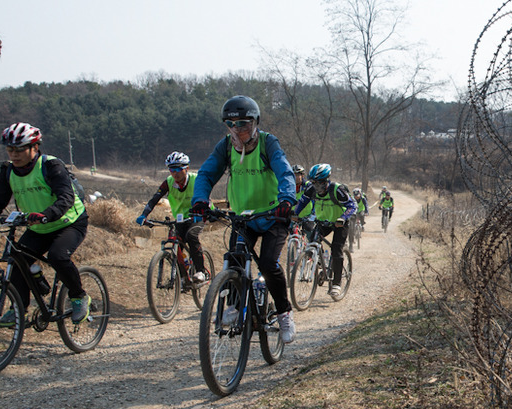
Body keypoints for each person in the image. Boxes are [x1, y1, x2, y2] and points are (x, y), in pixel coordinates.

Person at [190, 95, 298, 343]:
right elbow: (206, 173)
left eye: (244, 124)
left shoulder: (268, 143)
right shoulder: (226, 146)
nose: (238, 130)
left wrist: (286, 200)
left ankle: (284, 314)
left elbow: (284, 170)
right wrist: (200, 200)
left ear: (255, 123)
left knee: (269, 265)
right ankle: (235, 306)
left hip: (273, 215)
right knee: (236, 261)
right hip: (242, 218)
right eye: (232, 125)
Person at [0, 122, 91, 324]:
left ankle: (78, 297)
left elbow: (66, 197)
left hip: (69, 222)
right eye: (10, 149)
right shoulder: (8, 171)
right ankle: (19, 308)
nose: (14, 154)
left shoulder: (51, 165)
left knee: (58, 257)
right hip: (38, 226)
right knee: (16, 262)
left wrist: (46, 214)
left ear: (34, 147)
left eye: (20, 149)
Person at [136, 151, 209, 283]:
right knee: (175, 242)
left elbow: (204, 195)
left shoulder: (196, 179)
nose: (175, 173)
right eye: (171, 169)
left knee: (191, 236)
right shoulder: (168, 182)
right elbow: (154, 199)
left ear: (186, 168)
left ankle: (200, 271)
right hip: (180, 218)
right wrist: (144, 215)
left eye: (178, 169)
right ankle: (183, 277)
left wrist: (204, 211)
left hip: (198, 216)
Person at [294, 163, 357, 298]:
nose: (317, 187)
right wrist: (294, 214)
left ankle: (336, 284)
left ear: (326, 181)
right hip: (323, 222)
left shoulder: (337, 190)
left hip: (340, 223)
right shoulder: (311, 189)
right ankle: (320, 263)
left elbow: (352, 205)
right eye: (314, 183)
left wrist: (343, 218)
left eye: (320, 184)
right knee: (312, 240)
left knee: (336, 249)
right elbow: (302, 202)